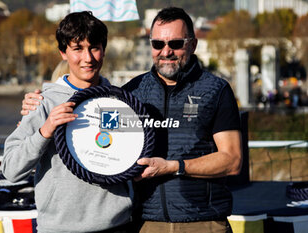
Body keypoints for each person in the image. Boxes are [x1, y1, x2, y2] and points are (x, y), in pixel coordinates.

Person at [21, 7, 242, 233]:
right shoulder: (129, 94)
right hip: (145, 223)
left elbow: (233, 161)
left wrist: (173, 167)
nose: (166, 51)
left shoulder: (216, 90)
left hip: (203, 221)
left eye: (175, 43)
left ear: (192, 44)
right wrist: (38, 111)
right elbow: (103, 144)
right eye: (158, 44)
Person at [2, 12, 133, 233]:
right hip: (60, 228)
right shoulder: (43, 103)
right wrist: (45, 131)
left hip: (118, 224)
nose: (88, 58)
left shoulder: (122, 101)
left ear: (104, 49)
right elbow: (10, 169)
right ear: (63, 52)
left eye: (94, 47)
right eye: (78, 48)